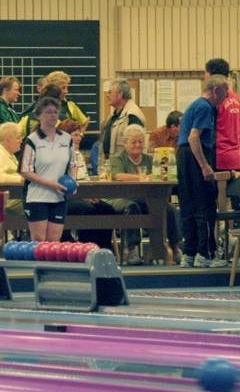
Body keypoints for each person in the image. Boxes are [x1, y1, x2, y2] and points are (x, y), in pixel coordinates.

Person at [177, 76, 229, 268]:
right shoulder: (205, 107)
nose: (226, 96)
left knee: (188, 206)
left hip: (183, 156)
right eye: (225, 91)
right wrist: (205, 165)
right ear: (216, 90)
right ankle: (206, 253)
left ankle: (189, 253)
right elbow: (194, 137)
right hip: (196, 155)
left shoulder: (194, 105)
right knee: (205, 205)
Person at [109, 124, 180, 265]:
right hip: (122, 198)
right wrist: (144, 177)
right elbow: (119, 176)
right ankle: (132, 249)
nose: (137, 145)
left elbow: (158, 174)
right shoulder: (117, 158)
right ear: (125, 143)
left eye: (140, 142)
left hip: (147, 198)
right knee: (132, 207)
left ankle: (174, 247)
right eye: (133, 142)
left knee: (168, 208)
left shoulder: (149, 159)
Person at [19, 96, 75, 242]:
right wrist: (51, 184)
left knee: (54, 240)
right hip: (37, 197)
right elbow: (25, 171)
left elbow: (72, 165)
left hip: (59, 197)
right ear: (39, 115)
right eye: (48, 112)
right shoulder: (32, 140)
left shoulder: (67, 139)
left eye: (55, 112)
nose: (53, 115)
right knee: (39, 240)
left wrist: (73, 183)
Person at [57, 119, 115, 250]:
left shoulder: (78, 155)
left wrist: (92, 195)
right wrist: (82, 196)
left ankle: (104, 248)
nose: (80, 138)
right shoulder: (59, 157)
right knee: (88, 210)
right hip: (67, 199)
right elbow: (63, 184)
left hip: (84, 195)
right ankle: (87, 249)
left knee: (107, 209)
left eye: (80, 135)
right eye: (75, 135)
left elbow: (85, 179)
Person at [207, 58, 240, 174]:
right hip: (236, 156)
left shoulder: (216, 99)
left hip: (220, 156)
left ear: (210, 75)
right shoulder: (236, 98)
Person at [100, 78, 146, 160]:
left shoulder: (132, 115)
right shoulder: (114, 115)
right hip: (112, 162)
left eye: (110, 92)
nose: (107, 95)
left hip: (125, 164)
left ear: (120, 95)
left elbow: (136, 147)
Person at [0, 122, 24, 215]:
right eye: (18, 138)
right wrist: (22, 179)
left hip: (11, 197)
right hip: (4, 202)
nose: (21, 141)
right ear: (8, 140)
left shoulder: (7, 154)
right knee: (38, 204)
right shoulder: (0, 155)